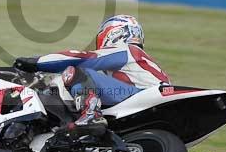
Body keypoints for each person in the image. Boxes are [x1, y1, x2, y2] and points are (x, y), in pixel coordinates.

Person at [13, 15, 170, 132]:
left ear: (113, 33)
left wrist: (37, 62)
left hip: (140, 96)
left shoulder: (127, 50)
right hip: (151, 103)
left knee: (76, 71)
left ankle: (91, 114)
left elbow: (82, 58)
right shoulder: (140, 62)